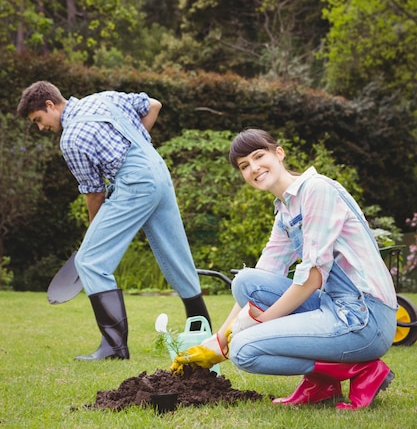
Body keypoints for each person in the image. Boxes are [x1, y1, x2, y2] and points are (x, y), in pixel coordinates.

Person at [171, 128, 398, 411]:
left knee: (244, 349)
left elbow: (313, 276)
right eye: (244, 166)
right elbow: (266, 271)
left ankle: (362, 371)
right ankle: (322, 384)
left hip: (365, 317)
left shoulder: (316, 189)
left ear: (279, 153)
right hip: (334, 305)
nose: (253, 168)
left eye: (258, 156)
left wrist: (256, 325)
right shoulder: (286, 210)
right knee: (245, 282)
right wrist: (219, 338)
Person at [17, 81, 211, 361]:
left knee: (91, 260)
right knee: (175, 255)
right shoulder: (103, 98)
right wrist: (134, 150)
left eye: (39, 120)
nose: (40, 127)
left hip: (135, 182)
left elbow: (94, 193)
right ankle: (203, 329)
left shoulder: (71, 138)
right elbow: (153, 104)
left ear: (50, 105)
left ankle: (114, 347)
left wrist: (95, 234)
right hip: (157, 169)